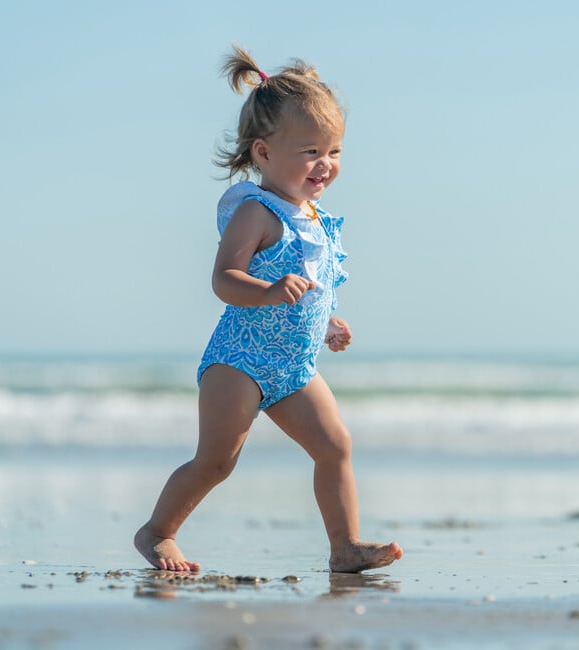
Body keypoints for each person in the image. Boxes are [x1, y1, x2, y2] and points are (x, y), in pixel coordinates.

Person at [134, 45, 403, 574]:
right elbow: (224, 279)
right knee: (217, 462)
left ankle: (344, 547)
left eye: (335, 151)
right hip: (239, 361)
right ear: (263, 153)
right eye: (310, 152)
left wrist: (328, 322)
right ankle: (157, 532)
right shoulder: (255, 213)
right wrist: (267, 290)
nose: (325, 165)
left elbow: (311, 287)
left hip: (294, 367)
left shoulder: (316, 218)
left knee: (335, 446)